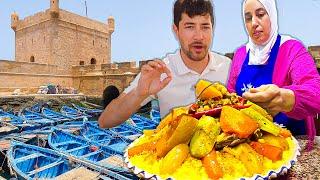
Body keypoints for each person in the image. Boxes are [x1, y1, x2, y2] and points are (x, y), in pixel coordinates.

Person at [99, 0, 231, 128]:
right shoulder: (161, 71)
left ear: (212, 29)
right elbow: (105, 121)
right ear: (176, 30)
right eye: (189, 27)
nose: (199, 36)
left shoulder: (230, 67)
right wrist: (139, 93)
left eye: (205, 27)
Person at [227, 0, 320, 140]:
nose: (254, 23)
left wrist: (285, 98)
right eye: (248, 18)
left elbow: (315, 93)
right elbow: (231, 94)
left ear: (272, 15)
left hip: (292, 139)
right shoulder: (240, 54)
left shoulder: (292, 49)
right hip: (251, 143)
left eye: (260, 14)